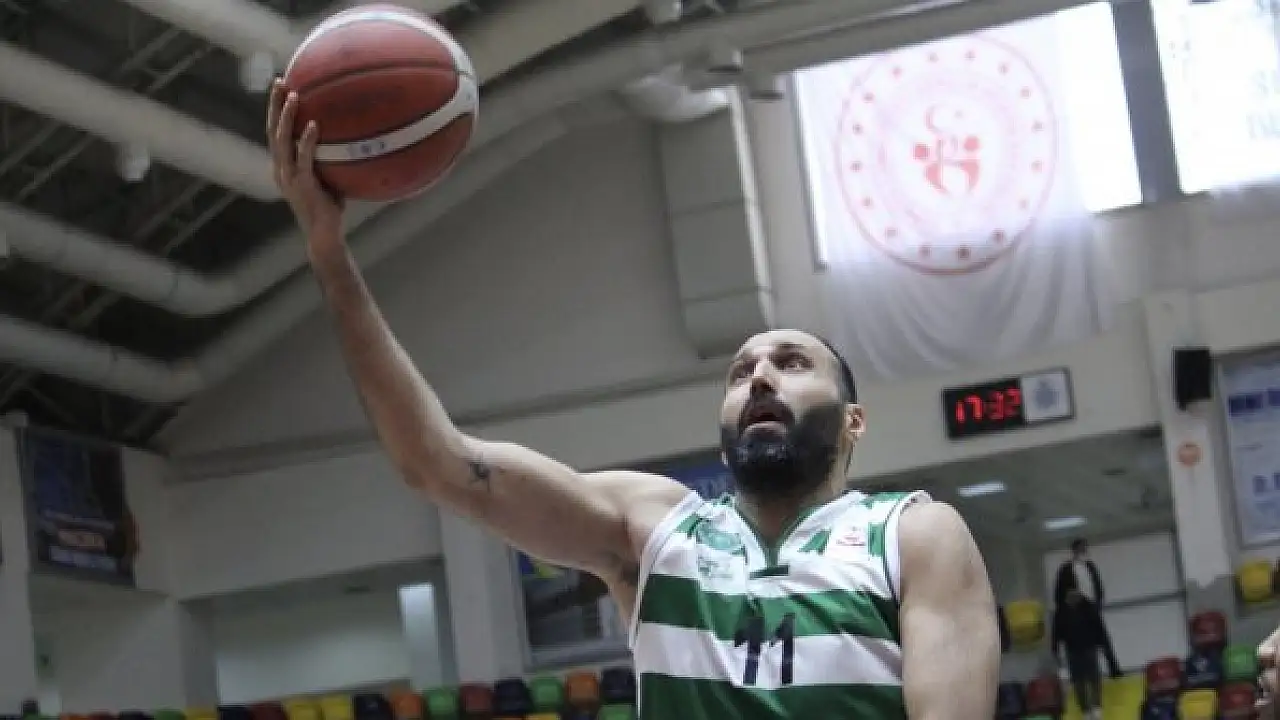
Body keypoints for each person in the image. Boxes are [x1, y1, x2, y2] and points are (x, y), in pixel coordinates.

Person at [266, 80, 1000, 719]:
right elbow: (439, 464)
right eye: (740, 373)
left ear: (853, 421)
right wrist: (330, 257)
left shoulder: (912, 536)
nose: (759, 379)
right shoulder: (656, 530)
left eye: (791, 363)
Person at [1052, 538, 1121, 678]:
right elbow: (1059, 591)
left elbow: (1097, 584)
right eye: (1081, 548)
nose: (1084, 550)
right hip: (1075, 607)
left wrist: (1098, 601)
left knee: (1103, 638)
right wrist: (1066, 606)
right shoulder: (1066, 568)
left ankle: (1113, 669)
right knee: (1079, 642)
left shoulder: (1090, 566)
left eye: (1085, 548)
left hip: (1091, 606)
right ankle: (1079, 673)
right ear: (1074, 550)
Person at [1051, 590, 1105, 720]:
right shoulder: (1061, 612)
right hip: (1072, 651)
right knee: (1078, 681)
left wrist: (1101, 644)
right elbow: (1056, 632)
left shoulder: (1088, 607)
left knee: (1094, 679)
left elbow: (1098, 626)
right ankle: (1085, 709)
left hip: (1089, 648)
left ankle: (1096, 707)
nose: (1073, 598)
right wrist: (1055, 649)